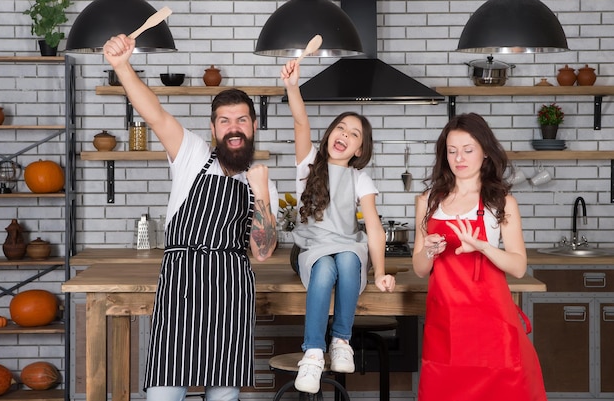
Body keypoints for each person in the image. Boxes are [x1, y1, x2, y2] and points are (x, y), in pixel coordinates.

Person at [103, 34, 279, 401]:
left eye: (242, 119)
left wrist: (261, 190)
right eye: (225, 120)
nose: (234, 127)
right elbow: (154, 112)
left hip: (231, 292)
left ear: (253, 126)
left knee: (223, 395)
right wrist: (122, 66)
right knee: (163, 394)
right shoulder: (193, 155)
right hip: (180, 286)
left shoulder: (262, 183)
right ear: (213, 128)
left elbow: (262, 252)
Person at [412, 113, 547, 401]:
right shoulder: (428, 201)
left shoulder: (501, 202)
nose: (459, 158)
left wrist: (483, 246)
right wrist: (429, 250)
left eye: (468, 149)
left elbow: (519, 266)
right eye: (452, 150)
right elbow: (420, 269)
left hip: (491, 321)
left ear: (485, 152)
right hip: (445, 320)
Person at [280, 59, 396, 394]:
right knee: (326, 265)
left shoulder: (360, 178)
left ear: (360, 148)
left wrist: (379, 271)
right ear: (330, 134)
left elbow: (373, 228)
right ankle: (314, 352)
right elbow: (301, 123)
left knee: (345, 258)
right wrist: (292, 86)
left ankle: (341, 341)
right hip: (313, 250)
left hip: (348, 247)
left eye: (354, 133)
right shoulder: (308, 166)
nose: (344, 134)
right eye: (340, 128)